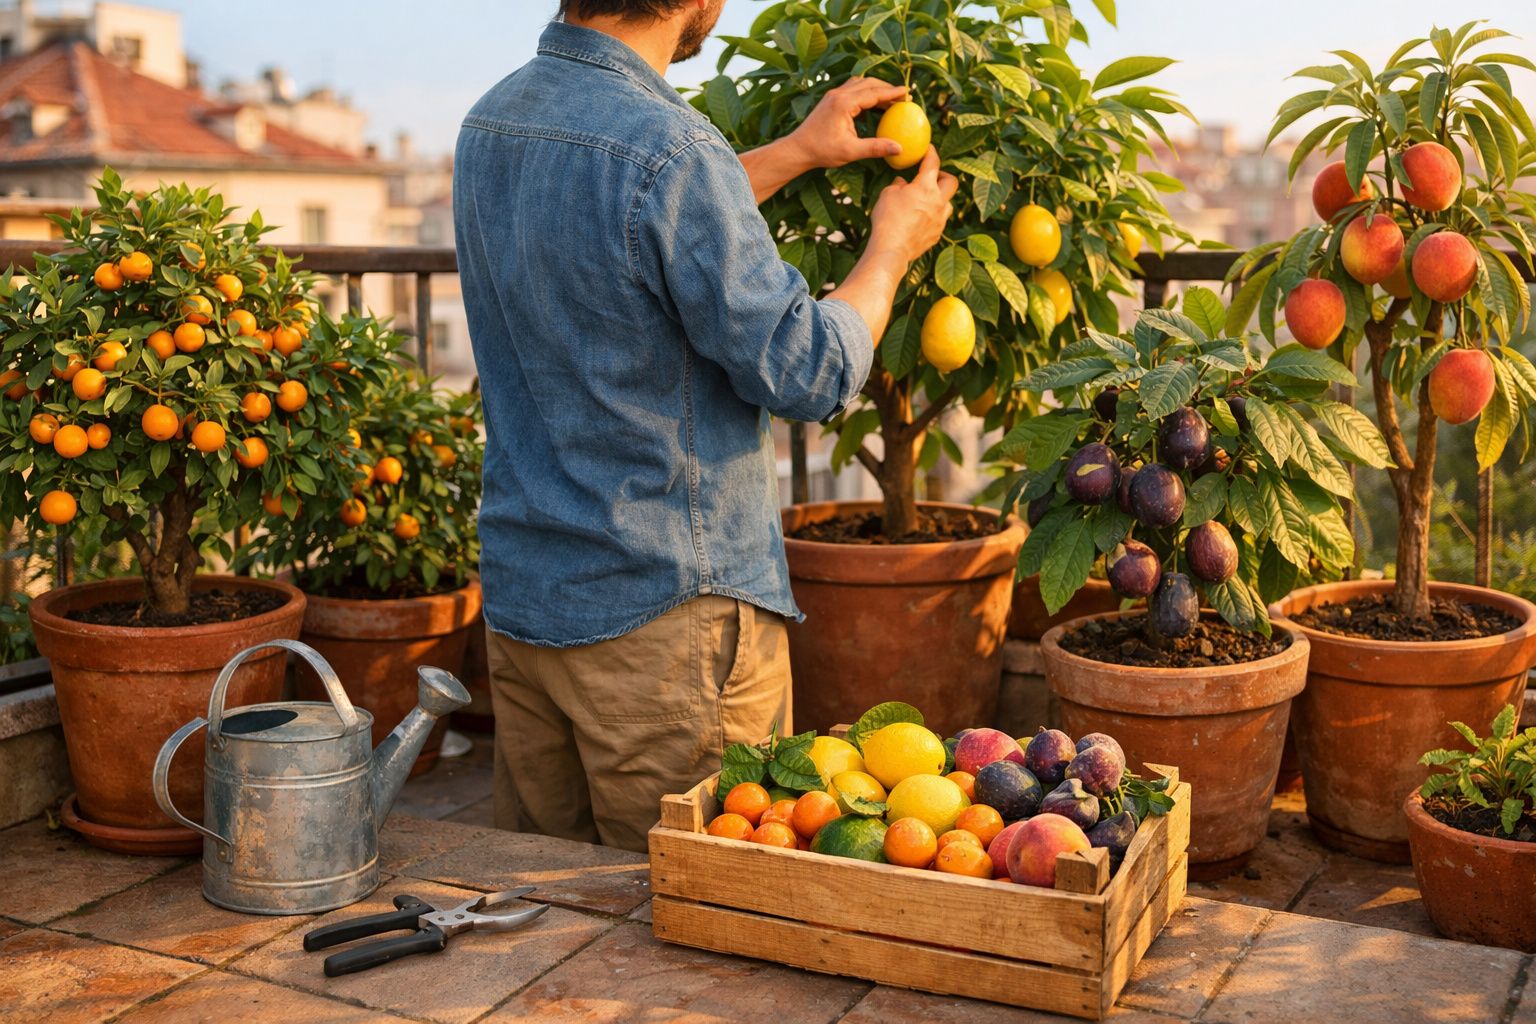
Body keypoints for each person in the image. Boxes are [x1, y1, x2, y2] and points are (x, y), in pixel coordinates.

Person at [453, 0, 956, 853]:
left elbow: (636, 221)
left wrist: (798, 151)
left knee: (544, 906)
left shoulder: (492, 120)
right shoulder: (673, 150)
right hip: (664, 619)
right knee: (700, 919)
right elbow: (807, 370)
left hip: (529, 599)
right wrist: (892, 251)